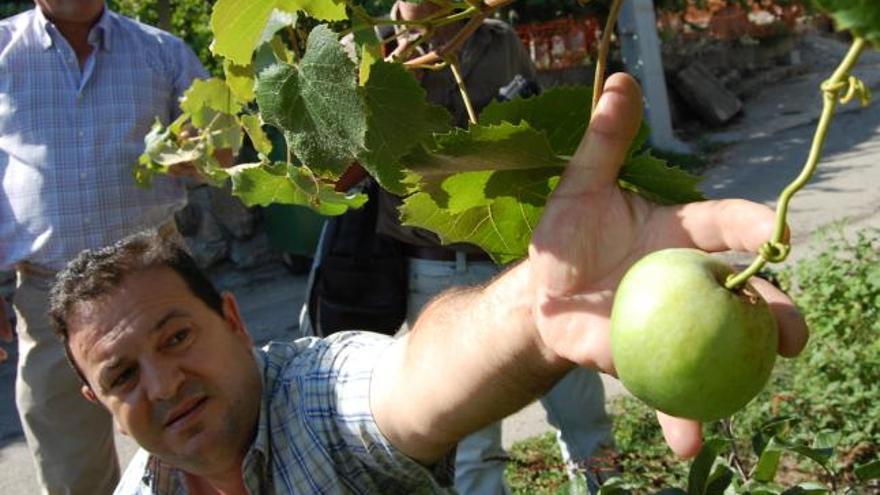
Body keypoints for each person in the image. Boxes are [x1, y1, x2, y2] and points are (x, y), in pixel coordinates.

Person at [48, 73, 809, 495]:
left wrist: (533, 310)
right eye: (121, 374)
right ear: (95, 400)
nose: (163, 381)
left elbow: (401, 382)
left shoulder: (312, 397)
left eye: (176, 335)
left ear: (235, 319)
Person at [383, 2, 615, 492]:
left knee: (579, 404)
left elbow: (536, 121)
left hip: (519, 252)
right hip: (436, 268)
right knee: (470, 438)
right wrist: (393, 70)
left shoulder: (496, 38)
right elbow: (347, 164)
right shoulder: (371, 54)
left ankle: (602, 486)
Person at [0, 1, 208, 492]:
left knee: (199, 440)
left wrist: (202, 152)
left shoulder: (162, 52)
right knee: (71, 466)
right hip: (47, 297)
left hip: (159, 285)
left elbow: (218, 150)